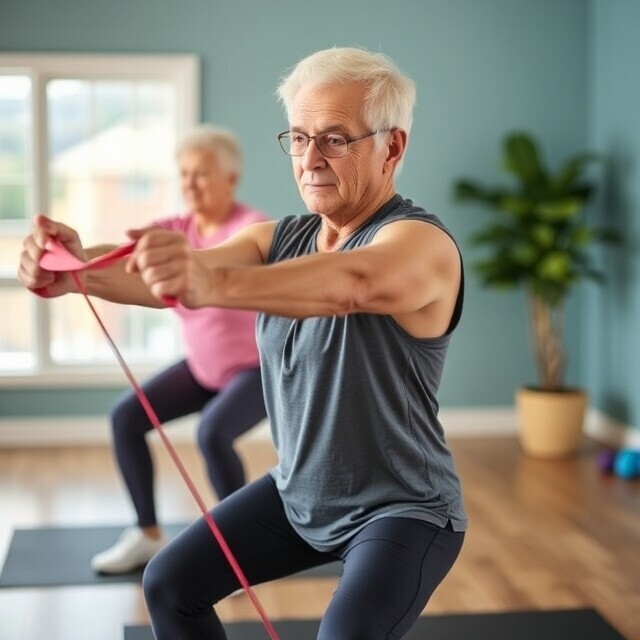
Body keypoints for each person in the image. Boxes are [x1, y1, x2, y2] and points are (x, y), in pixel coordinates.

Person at [19, 47, 467, 638]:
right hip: (299, 495)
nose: (311, 158)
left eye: (336, 139)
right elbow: (165, 278)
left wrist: (208, 282)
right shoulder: (277, 238)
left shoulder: (419, 243)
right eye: (300, 137)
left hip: (404, 509)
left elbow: (351, 285)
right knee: (170, 585)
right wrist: (72, 269)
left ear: (393, 147)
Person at [64, 125, 270, 574]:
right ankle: (147, 533)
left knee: (212, 434)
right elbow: (120, 255)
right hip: (202, 369)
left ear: (230, 178)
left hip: (254, 372)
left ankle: (241, 552)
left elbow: (223, 265)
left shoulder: (249, 229)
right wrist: (74, 259)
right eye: (184, 174)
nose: (190, 183)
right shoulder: (175, 229)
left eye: (201, 173)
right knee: (125, 417)